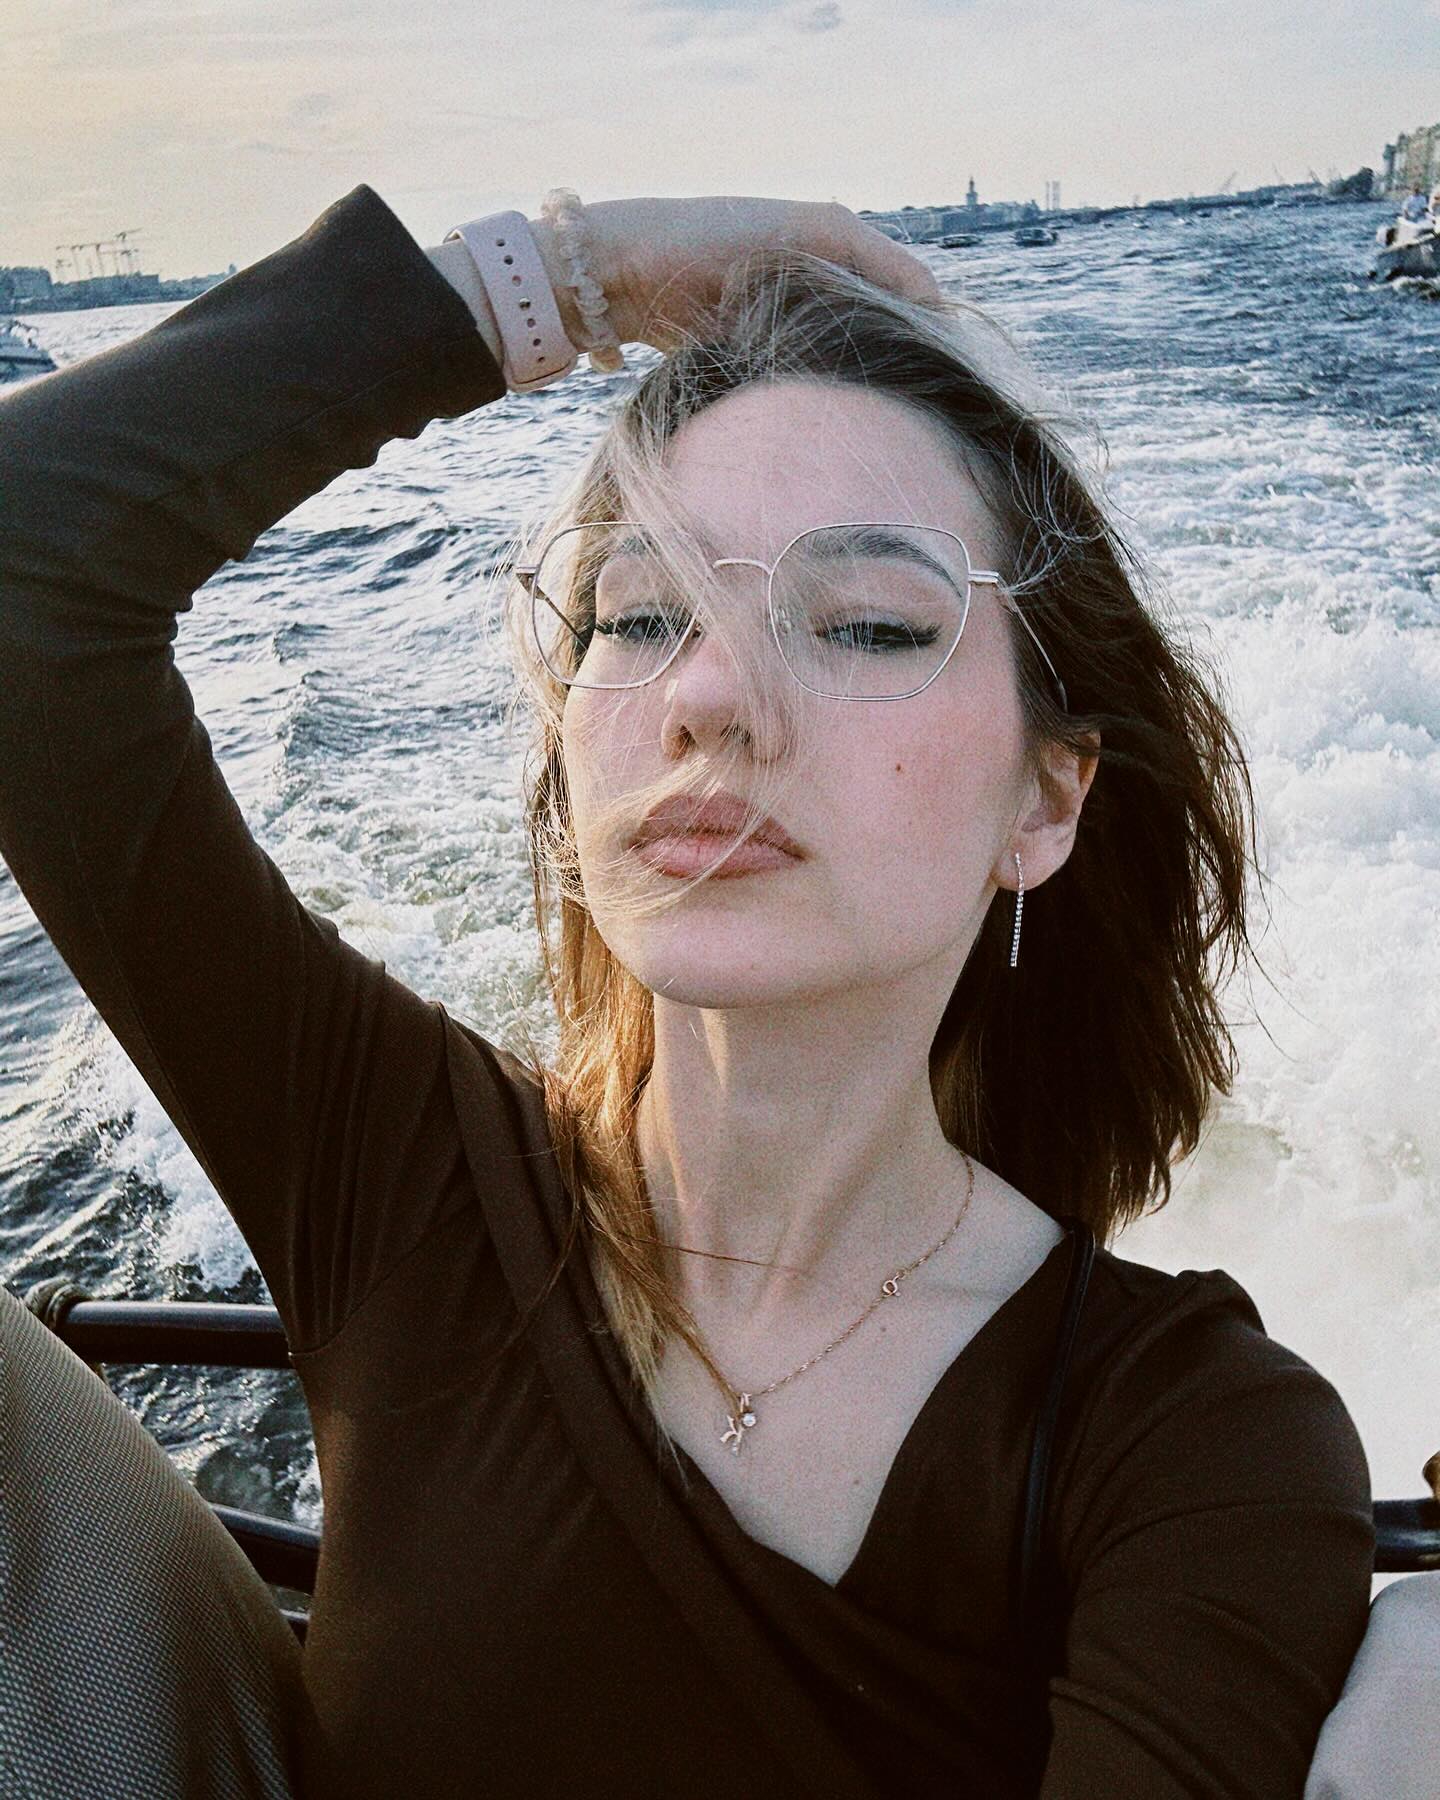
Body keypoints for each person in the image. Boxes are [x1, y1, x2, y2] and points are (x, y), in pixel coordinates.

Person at [0, 181, 1427, 1797]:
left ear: (1047, 801)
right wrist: (564, 279)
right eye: (641, 613)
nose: (709, 692)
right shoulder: (406, 1182)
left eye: (868, 623)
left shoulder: (1191, 1442)